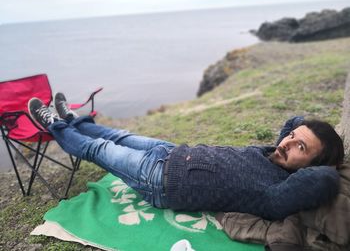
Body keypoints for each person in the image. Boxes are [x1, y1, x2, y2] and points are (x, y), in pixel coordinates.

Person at [28, 93, 344, 220]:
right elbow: (293, 123)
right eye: (291, 138)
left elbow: (326, 177)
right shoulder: (277, 152)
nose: (288, 143)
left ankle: (54, 125)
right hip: (173, 152)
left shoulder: (278, 193)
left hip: (161, 181)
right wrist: (302, 136)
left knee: (98, 149)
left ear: (313, 166)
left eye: (300, 148)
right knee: (117, 136)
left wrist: (330, 161)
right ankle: (73, 120)